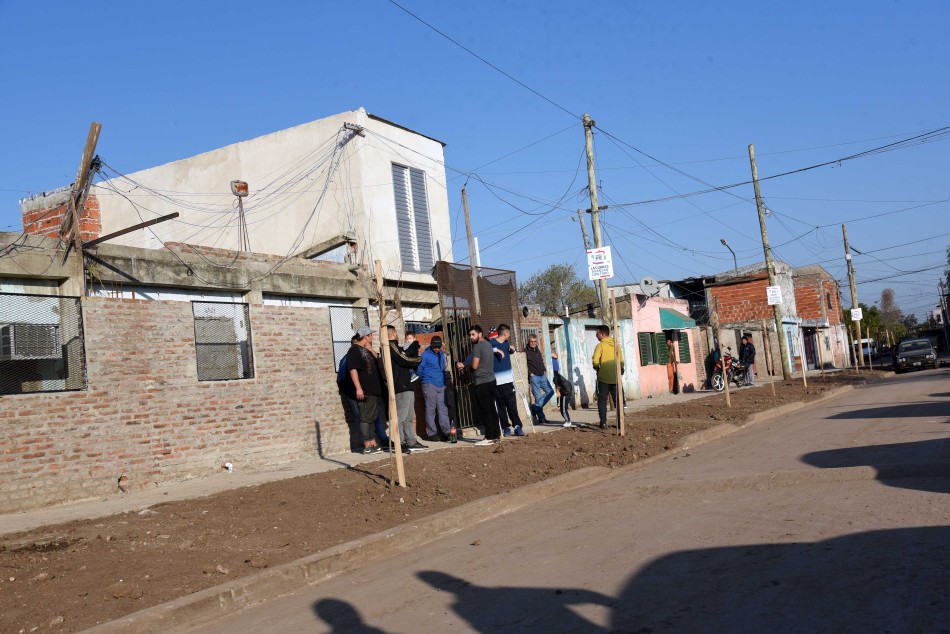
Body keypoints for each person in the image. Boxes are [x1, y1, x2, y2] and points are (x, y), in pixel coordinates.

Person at [337, 335, 390, 449]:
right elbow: (344, 377)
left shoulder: (364, 356)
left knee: (370, 416)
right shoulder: (351, 357)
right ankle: (370, 443)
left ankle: (377, 441)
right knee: (364, 417)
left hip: (362, 392)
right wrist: (356, 389)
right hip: (355, 393)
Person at [457, 325, 500, 445]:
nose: (471, 337)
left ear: (480, 334)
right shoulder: (488, 344)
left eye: (473, 335)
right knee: (492, 409)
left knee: (486, 410)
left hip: (482, 382)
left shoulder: (478, 346)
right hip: (491, 380)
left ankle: (489, 437)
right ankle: (496, 435)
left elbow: (474, 365)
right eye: (470, 335)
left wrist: (468, 368)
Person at [386, 326, 427, 453]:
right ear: (393, 334)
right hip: (401, 386)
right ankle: (399, 442)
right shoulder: (390, 346)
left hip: (407, 384)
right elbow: (405, 359)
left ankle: (411, 440)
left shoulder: (396, 346)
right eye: (396, 333)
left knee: (409, 416)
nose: (398, 335)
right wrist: (418, 359)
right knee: (401, 417)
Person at [345, 326, 383, 454]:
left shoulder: (365, 349)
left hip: (373, 390)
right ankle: (367, 445)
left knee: (371, 417)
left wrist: (371, 350)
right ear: (366, 337)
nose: (372, 337)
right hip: (365, 390)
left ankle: (373, 442)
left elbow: (378, 361)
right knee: (365, 417)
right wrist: (359, 388)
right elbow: (353, 369)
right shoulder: (354, 350)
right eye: (371, 335)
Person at [418, 336, 456, 443]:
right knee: (431, 409)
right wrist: (425, 379)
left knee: (443, 409)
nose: (437, 349)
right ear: (431, 345)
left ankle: (446, 431)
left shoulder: (441, 355)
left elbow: (443, 368)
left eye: (439, 347)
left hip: (441, 384)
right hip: (429, 384)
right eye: (435, 347)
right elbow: (419, 370)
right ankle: (432, 433)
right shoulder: (425, 355)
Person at [491, 324, 525, 437]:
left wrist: (512, 350)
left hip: (508, 380)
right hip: (496, 381)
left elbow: (509, 351)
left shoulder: (506, 344)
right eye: (509, 333)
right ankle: (505, 427)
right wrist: (496, 350)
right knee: (501, 406)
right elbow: (486, 349)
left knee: (511, 404)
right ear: (505, 333)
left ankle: (517, 426)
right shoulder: (492, 343)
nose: (509, 335)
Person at [592, 325, 624, 430]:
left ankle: (604, 423)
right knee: (618, 400)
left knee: (602, 400)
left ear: (602, 334)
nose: (596, 336)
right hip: (616, 377)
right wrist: (621, 370)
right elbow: (621, 360)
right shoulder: (616, 345)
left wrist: (597, 368)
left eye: (597, 334)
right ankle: (620, 422)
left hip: (603, 378)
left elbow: (595, 361)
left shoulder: (600, 346)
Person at [524, 334, 554, 424]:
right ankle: (541, 418)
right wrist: (530, 374)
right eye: (531, 341)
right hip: (534, 377)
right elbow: (524, 364)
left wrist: (544, 370)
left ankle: (535, 407)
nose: (533, 343)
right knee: (538, 398)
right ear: (528, 342)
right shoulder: (525, 352)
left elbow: (541, 360)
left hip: (542, 375)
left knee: (550, 391)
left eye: (534, 341)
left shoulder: (537, 350)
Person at [551, 351, 574, 427]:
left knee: (563, 408)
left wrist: (563, 392)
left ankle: (568, 421)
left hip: (566, 392)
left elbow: (565, 385)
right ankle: (567, 420)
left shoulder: (556, 376)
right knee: (562, 408)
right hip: (564, 392)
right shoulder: (556, 377)